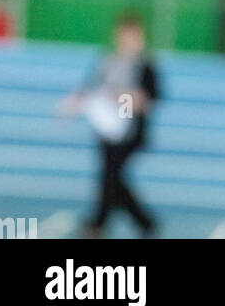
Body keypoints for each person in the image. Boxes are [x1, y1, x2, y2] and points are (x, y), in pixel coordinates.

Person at [61, 13, 161, 238]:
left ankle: (129, 222)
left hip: (131, 131)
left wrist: (128, 99)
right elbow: (91, 88)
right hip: (107, 130)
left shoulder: (146, 65)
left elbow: (152, 98)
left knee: (112, 177)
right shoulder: (108, 61)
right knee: (109, 177)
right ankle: (115, 222)